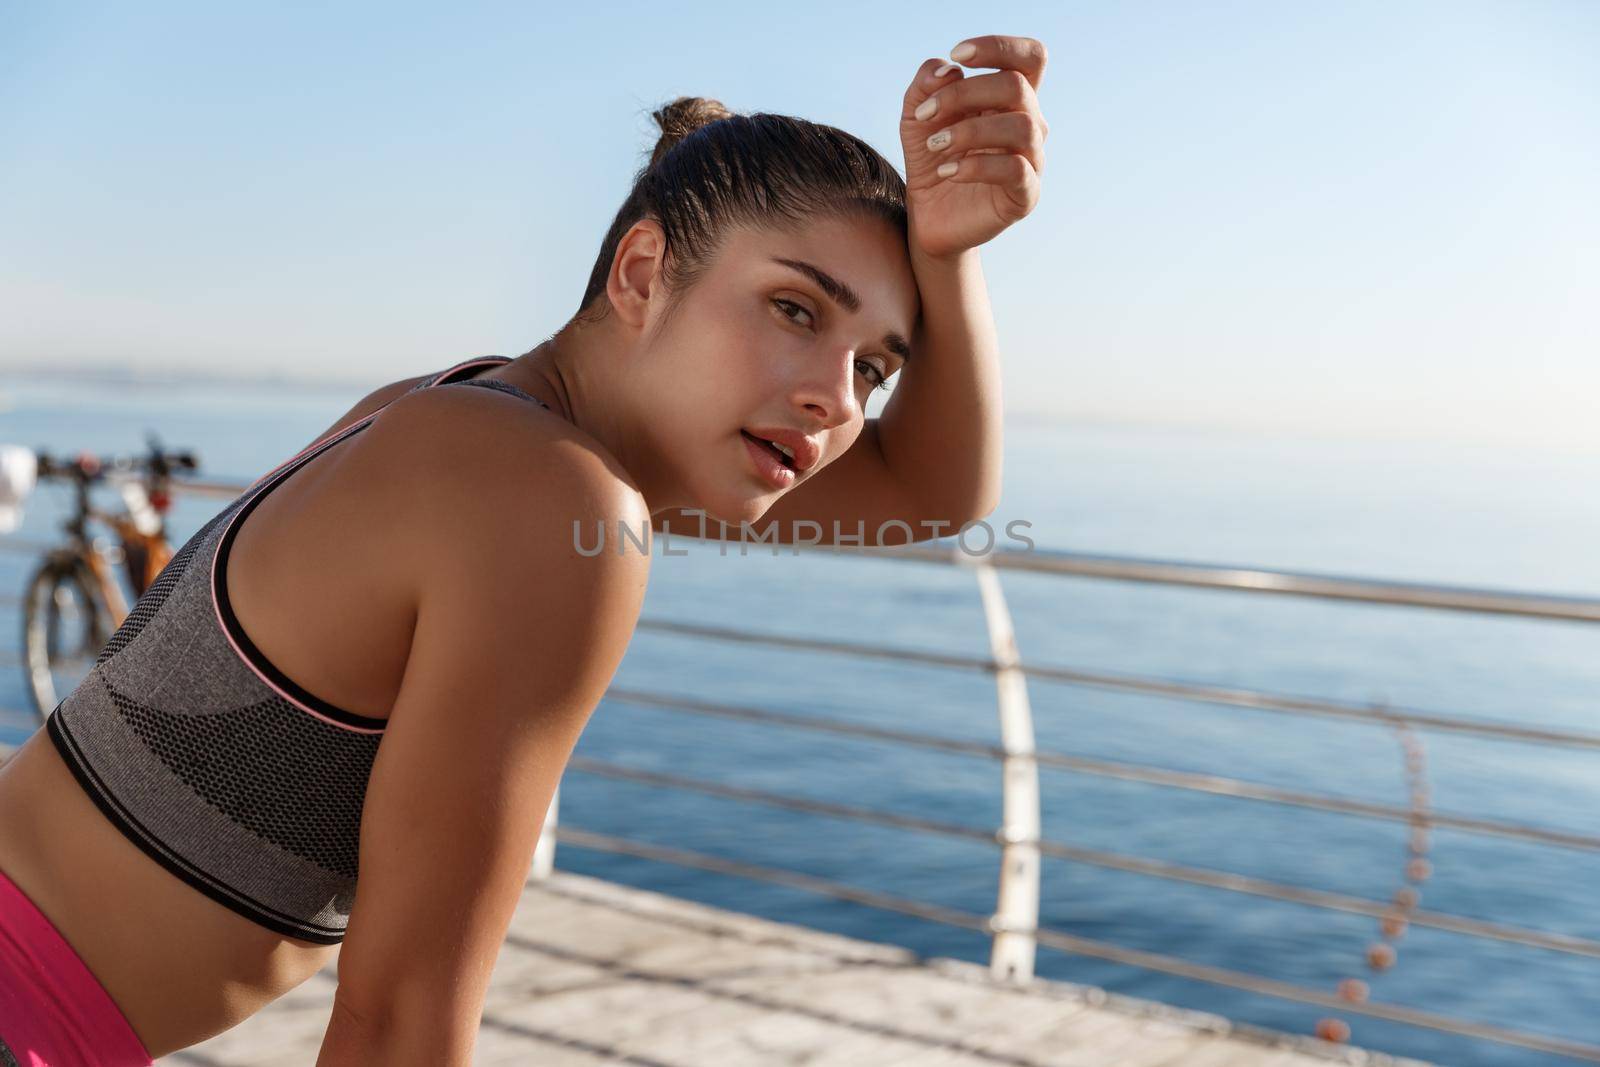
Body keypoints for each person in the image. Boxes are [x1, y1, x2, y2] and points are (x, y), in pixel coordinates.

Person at [0, 34, 1048, 1065]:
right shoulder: (546, 496)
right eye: (792, 308)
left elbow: (930, 493)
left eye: (874, 368)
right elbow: (397, 1021)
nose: (833, 393)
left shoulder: (456, 412)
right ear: (642, 271)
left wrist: (950, 259)